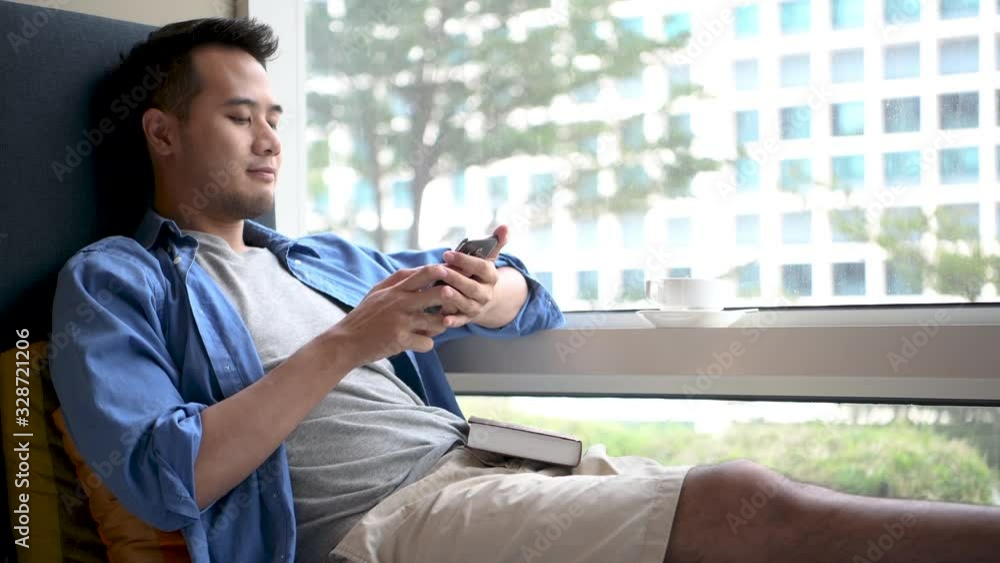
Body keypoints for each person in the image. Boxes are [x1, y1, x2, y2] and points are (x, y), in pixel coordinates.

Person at [50, 17, 999, 563]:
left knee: (770, 507)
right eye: (239, 115)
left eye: (275, 116)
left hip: (487, 461)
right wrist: (349, 342)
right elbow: (168, 476)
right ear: (163, 134)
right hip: (383, 522)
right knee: (746, 502)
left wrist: (485, 291)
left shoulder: (320, 257)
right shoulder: (117, 279)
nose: (270, 139)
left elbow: (530, 302)